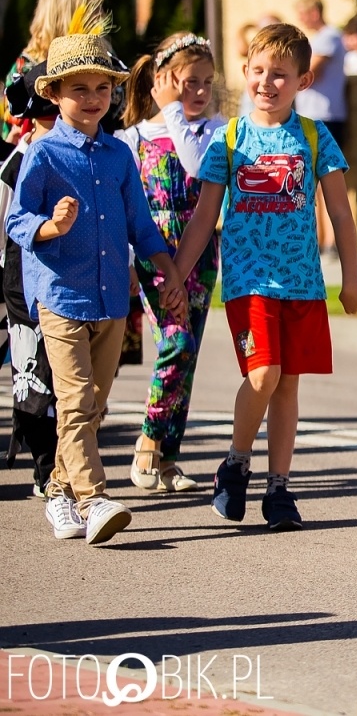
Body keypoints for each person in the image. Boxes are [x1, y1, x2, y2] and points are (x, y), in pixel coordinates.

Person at [173, 23, 357, 531]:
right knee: (264, 375)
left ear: (303, 81)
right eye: (258, 71)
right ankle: (236, 464)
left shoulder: (313, 135)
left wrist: (351, 279)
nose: (267, 82)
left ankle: (278, 487)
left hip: (302, 281)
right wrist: (177, 273)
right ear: (245, 73)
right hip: (248, 279)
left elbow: (342, 214)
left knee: (287, 388)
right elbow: (203, 217)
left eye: (280, 74)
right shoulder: (230, 138)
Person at [6, 14, 185, 545]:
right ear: (55, 94)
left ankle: (59, 491)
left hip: (112, 297)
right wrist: (50, 225)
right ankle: (94, 498)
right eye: (78, 88)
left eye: (102, 88)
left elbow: (141, 226)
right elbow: (17, 221)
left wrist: (169, 275)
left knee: (94, 404)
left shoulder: (118, 154)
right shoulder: (43, 153)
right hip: (61, 295)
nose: (92, 98)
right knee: (78, 400)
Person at [116, 33, 226, 494]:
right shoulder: (134, 138)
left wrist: (178, 114)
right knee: (175, 343)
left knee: (188, 355)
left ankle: (167, 458)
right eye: (188, 83)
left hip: (199, 254)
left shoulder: (216, 131)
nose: (198, 92)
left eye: (206, 82)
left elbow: (199, 167)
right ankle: (147, 440)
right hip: (156, 255)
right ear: (162, 81)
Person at [1, 63, 58, 499]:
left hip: (78, 280)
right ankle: (46, 471)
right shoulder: (17, 161)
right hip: (24, 281)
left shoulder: (95, 152)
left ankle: (65, 465)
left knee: (77, 383)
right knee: (34, 376)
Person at [2, 0, 104, 143]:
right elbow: (12, 135)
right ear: (67, 13)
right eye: (93, 7)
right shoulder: (26, 72)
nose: (101, 15)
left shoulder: (105, 58)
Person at [294, 0, 347, 148]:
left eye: (303, 14)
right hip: (316, 114)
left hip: (324, 114)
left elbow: (309, 72)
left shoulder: (329, 36)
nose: (300, 19)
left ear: (315, 13)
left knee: (325, 168)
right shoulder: (321, 37)